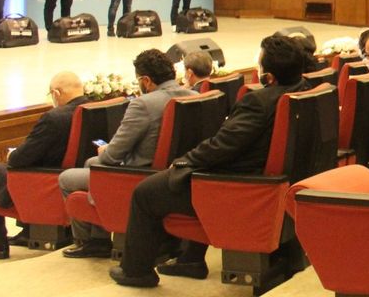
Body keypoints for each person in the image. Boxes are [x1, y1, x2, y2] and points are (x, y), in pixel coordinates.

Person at [110, 35, 313, 287]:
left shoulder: (258, 102)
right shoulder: (306, 90)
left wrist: (184, 161)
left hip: (238, 184)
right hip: (272, 179)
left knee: (145, 192)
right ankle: (190, 259)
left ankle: (136, 271)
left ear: (269, 77)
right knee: (181, 178)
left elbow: (222, 146)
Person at [59, 50, 196, 258]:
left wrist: (105, 150)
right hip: (178, 173)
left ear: (146, 80)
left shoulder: (143, 104)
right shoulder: (193, 95)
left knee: (67, 178)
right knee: (92, 162)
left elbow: (112, 156)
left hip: (139, 176)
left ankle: (90, 240)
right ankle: (98, 238)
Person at [0, 72, 87, 259]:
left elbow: (20, 159)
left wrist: (12, 154)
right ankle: (27, 232)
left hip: (45, 179)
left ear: (56, 93)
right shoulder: (93, 109)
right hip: (76, 174)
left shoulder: (54, 118)